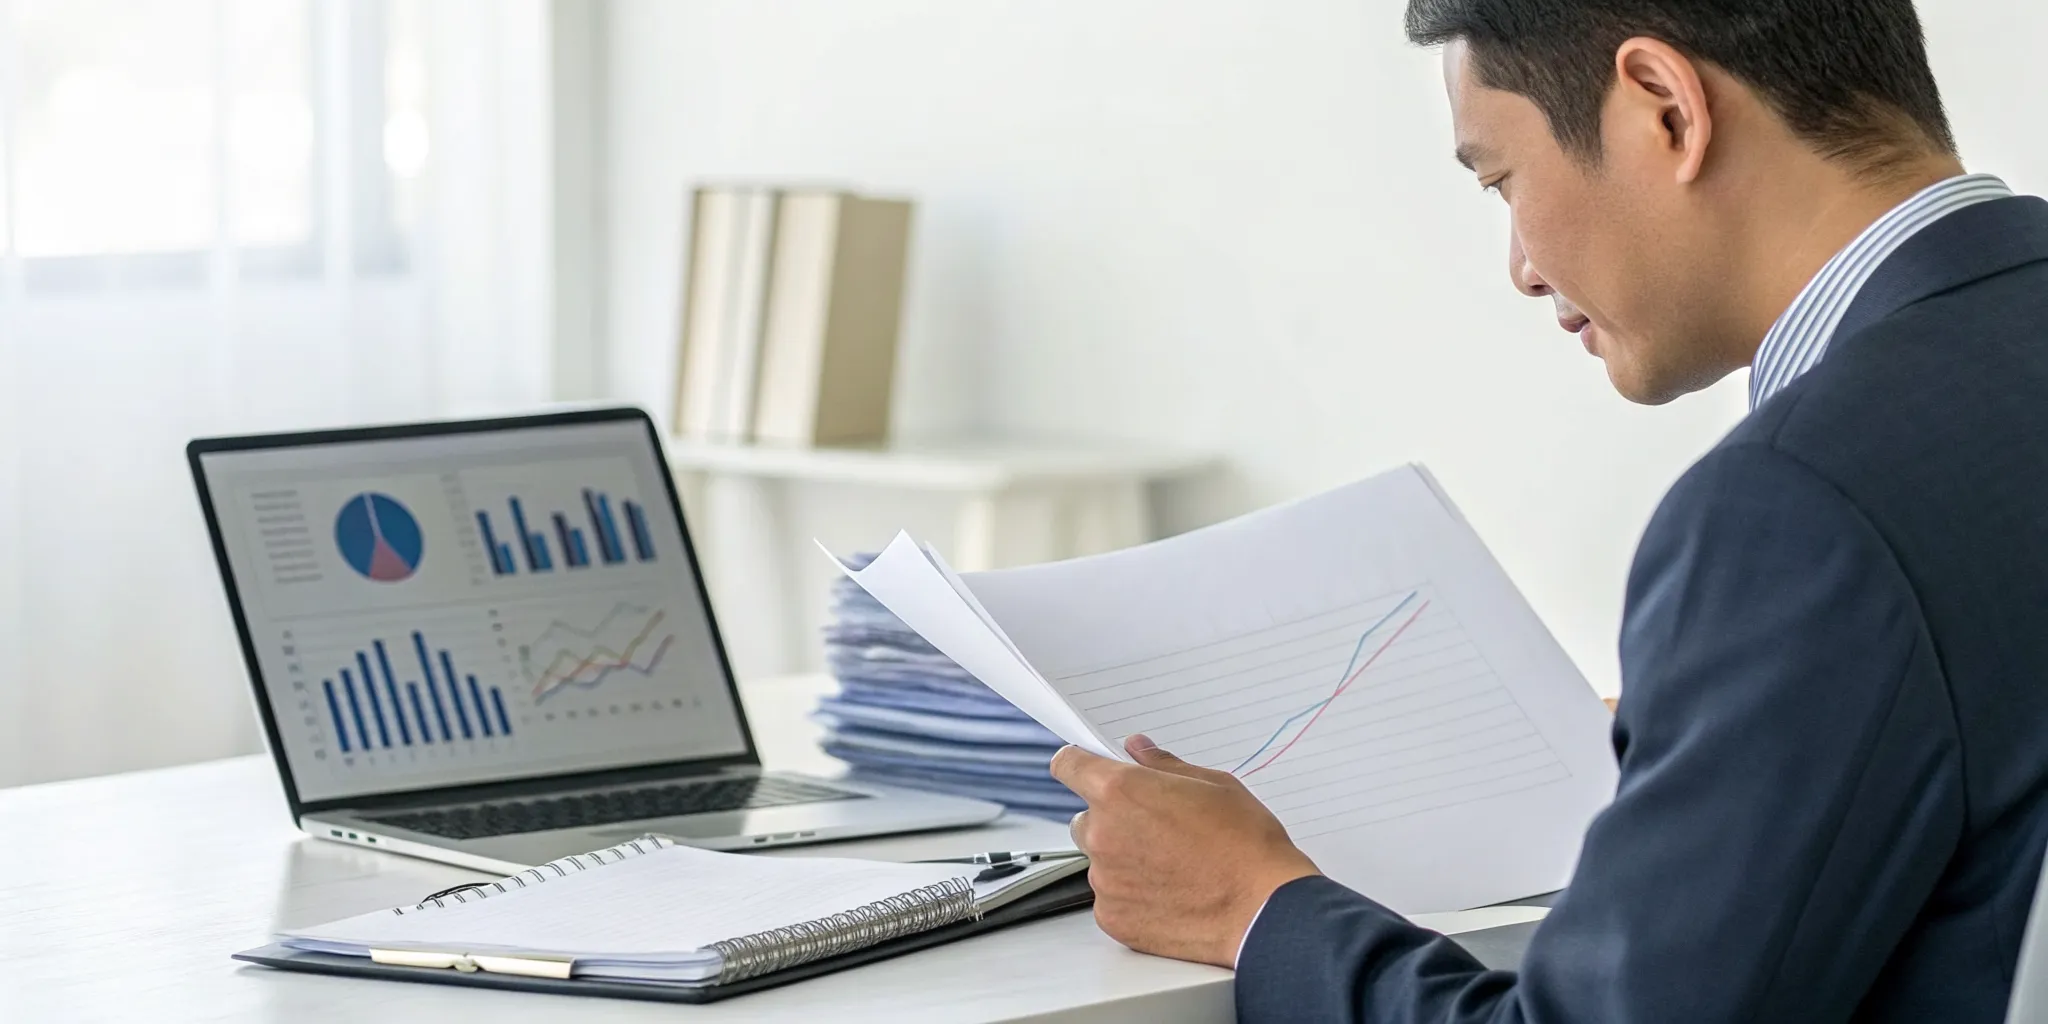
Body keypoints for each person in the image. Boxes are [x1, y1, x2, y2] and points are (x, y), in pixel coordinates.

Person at [1047, 1, 2048, 1020]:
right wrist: (1717, 726)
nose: (1521, 267)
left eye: (1500, 180)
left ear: (1662, 107)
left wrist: (1253, 907)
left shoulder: (1798, 509)